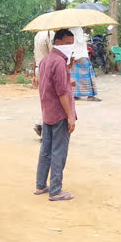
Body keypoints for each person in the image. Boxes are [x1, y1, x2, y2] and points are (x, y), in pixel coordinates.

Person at [35, 29, 77, 201]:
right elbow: (61, 92)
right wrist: (70, 116)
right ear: (58, 42)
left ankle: (40, 185)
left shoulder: (46, 60)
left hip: (47, 111)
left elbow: (50, 83)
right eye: (68, 43)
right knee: (59, 151)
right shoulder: (58, 62)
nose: (71, 47)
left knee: (46, 150)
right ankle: (55, 190)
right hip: (59, 112)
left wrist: (68, 69)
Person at [32, 30, 54, 137]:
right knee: (52, 100)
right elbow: (53, 54)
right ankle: (44, 129)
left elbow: (34, 55)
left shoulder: (38, 34)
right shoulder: (51, 34)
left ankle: (40, 124)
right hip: (48, 69)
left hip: (39, 69)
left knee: (45, 100)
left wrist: (33, 74)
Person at [69, 27, 101, 102]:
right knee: (88, 75)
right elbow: (80, 40)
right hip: (81, 55)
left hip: (73, 55)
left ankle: (75, 94)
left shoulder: (69, 29)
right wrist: (86, 35)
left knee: (75, 76)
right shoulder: (78, 29)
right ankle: (90, 95)